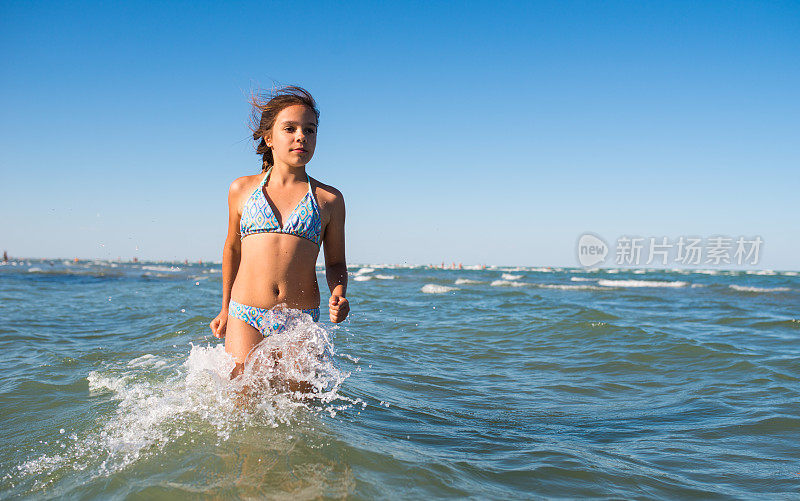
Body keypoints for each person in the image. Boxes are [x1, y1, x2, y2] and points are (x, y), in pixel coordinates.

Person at [209, 86, 349, 379]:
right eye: (290, 128)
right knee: (240, 404)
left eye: (310, 130)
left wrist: (339, 293)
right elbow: (232, 249)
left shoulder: (328, 200)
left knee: (301, 411)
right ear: (269, 138)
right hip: (246, 313)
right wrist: (224, 309)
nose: (302, 136)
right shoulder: (242, 189)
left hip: (301, 319)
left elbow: (335, 262)